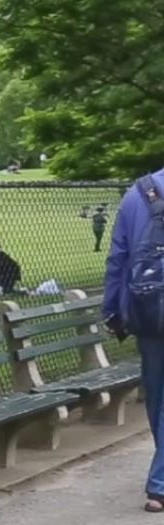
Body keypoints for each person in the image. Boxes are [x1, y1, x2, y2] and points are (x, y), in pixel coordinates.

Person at [104, 169, 164, 513]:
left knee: (156, 395)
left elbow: (119, 258)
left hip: (148, 309)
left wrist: (113, 309)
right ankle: (159, 484)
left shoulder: (138, 193)